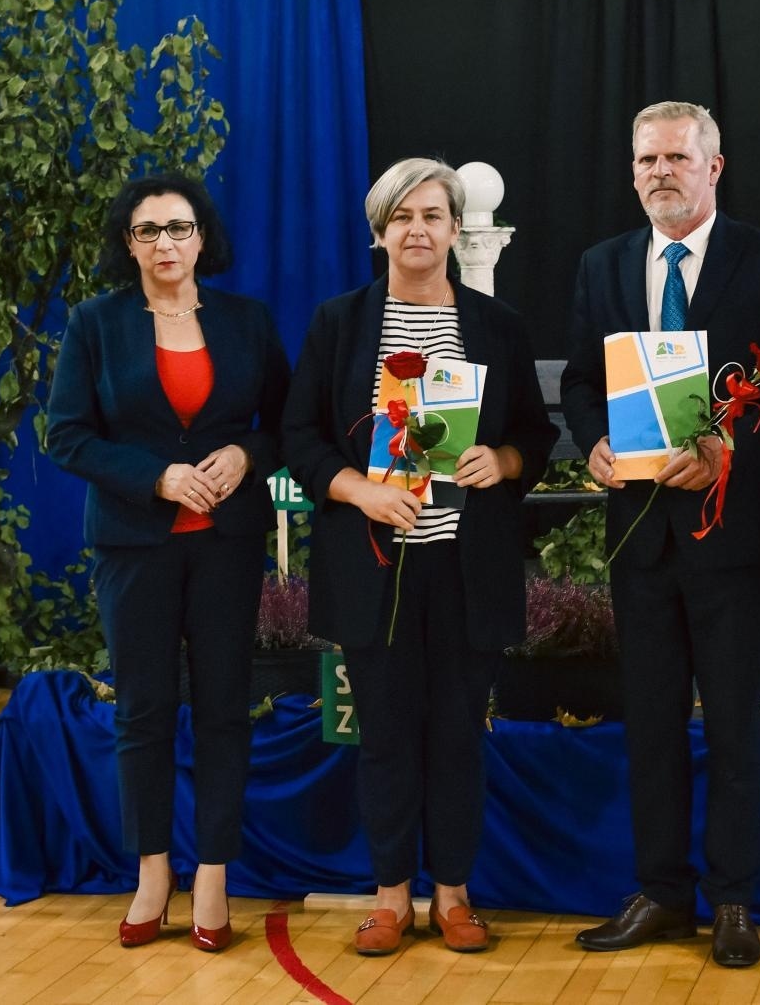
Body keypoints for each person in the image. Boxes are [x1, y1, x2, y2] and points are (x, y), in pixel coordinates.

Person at [282, 158, 556, 957]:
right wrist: (357, 491)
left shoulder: (495, 326)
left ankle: (455, 895)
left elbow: (533, 438)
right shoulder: (340, 323)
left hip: (465, 568)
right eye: (401, 217)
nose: (417, 230)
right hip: (376, 565)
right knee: (387, 737)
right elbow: (299, 434)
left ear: (454, 229)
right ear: (379, 233)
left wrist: (501, 462)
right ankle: (391, 896)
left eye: (433, 215)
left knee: (459, 735)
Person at [562, 102, 760, 968]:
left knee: (735, 723)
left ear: (714, 167)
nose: (658, 171)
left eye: (676, 156)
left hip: (733, 535)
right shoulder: (602, 265)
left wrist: (732, 448)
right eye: (645, 160)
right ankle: (662, 892)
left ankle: (734, 898)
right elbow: (581, 387)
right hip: (639, 533)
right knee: (652, 723)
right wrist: (591, 440)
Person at [46, 173, 290, 953]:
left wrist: (245, 454)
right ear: (129, 242)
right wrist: (153, 476)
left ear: (201, 238)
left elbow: (288, 424)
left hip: (226, 544)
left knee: (223, 709)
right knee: (142, 712)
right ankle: (153, 871)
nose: (164, 244)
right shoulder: (95, 323)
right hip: (134, 546)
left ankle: (213, 874)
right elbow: (67, 434)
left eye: (178, 228)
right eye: (148, 231)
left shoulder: (248, 322)